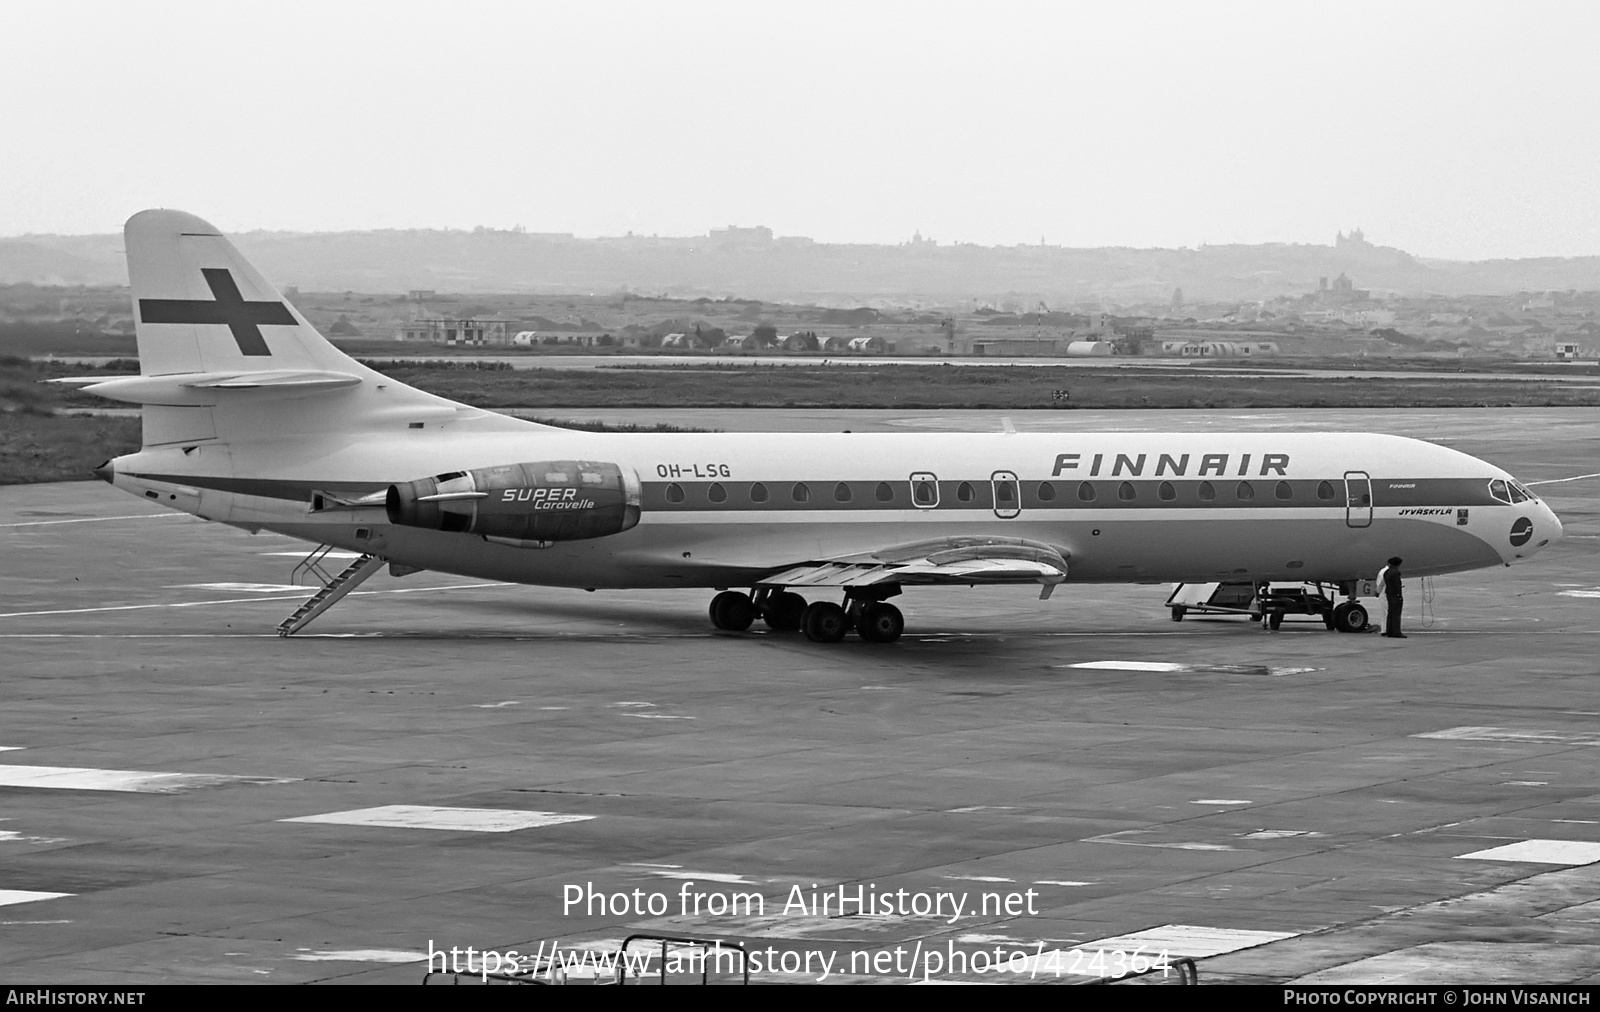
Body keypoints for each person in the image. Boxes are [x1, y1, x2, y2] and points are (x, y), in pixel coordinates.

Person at [1378, 556, 1406, 638]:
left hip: (1388, 594)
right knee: (1396, 615)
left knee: (1390, 614)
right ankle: (1396, 632)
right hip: (1395, 595)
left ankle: (1389, 631)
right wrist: (1399, 595)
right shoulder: (1395, 573)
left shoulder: (1386, 572)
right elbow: (1397, 585)